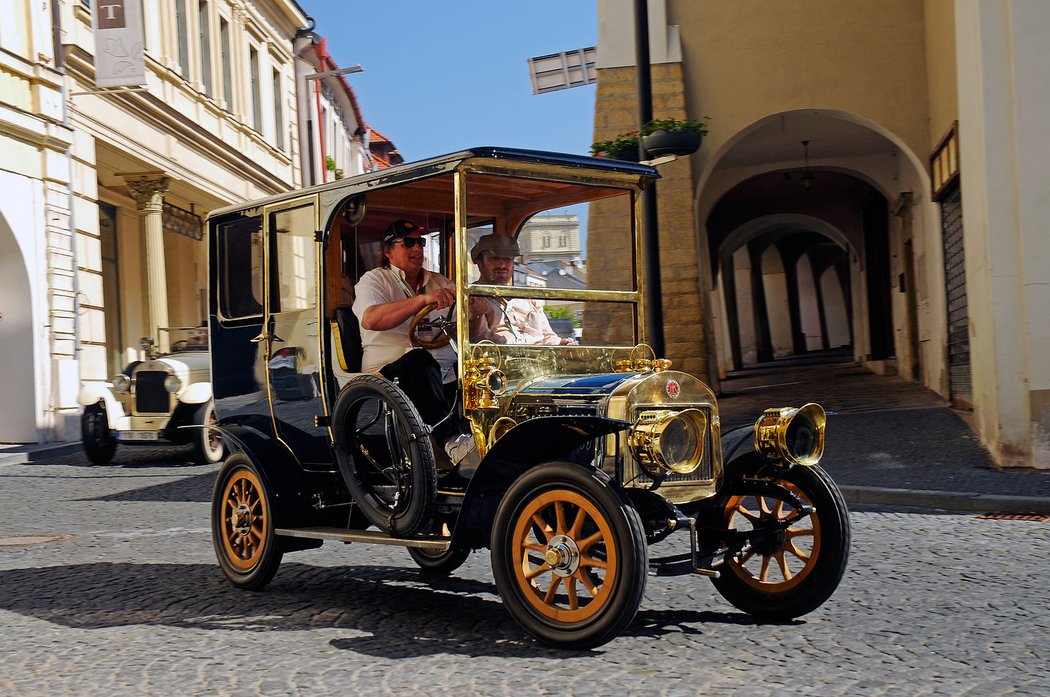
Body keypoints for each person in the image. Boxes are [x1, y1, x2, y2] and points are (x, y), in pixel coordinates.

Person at [352, 219, 459, 442]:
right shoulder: (374, 280)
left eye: (420, 242)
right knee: (418, 359)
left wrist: (475, 307)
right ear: (389, 252)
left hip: (442, 374)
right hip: (387, 374)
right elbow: (371, 319)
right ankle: (451, 442)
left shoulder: (438, 281)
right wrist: (423, 300)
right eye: (408, 243)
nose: (417, 248)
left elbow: (464, 319)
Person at [469, 232, 577, 346]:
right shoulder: (472, 299)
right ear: (480, 264)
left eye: (507, 259)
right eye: (494, 259)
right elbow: (476, 339)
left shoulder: (528, 298)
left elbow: (548, 337)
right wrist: (475, 315)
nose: (502, 265)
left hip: (539, 358)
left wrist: (561, 343)